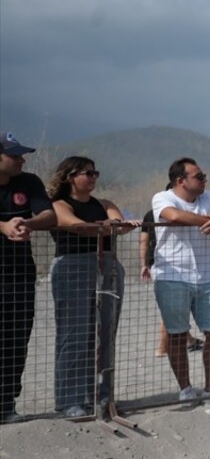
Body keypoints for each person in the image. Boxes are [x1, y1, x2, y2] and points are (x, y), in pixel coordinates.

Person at [47, 157, 139, 417]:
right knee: (74, 334)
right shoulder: (59, 205)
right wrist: (106, 227)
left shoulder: (105, 204)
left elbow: (118, 225)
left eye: (95, 173)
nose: (93, 177)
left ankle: (102, 396)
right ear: (69, 176)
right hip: (72, 268)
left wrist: (111, 227)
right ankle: (70, 400)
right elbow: (75, 226)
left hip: (107, 266)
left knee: (105, 333)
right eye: (87, 173)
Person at [151, 158, 210, 403]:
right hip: (172, 276)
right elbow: (173, 217)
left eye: (203, 176)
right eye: (199, 176)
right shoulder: (163, 198)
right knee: (176, 334)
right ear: (180, 181)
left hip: (205, 277)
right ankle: (185, 388)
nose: (204, 180)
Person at [0, 131, 57, 424]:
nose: (22, 159)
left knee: (15, 339)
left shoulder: (29, 182)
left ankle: (6, 404)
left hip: (20, 275)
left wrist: (26, 223)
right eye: (14, 155)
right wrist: (3, 226)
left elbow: (50, 216)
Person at [140, 184, 203, 358]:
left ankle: (188, 340)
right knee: (170, 308)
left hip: (167, 265)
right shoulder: (167, 214)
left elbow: (143, 241)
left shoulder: (151, 213)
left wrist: (143, 264)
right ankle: (162, 347)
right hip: (166, 266)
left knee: (179, 306)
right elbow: (144, 241)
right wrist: (144, 263)